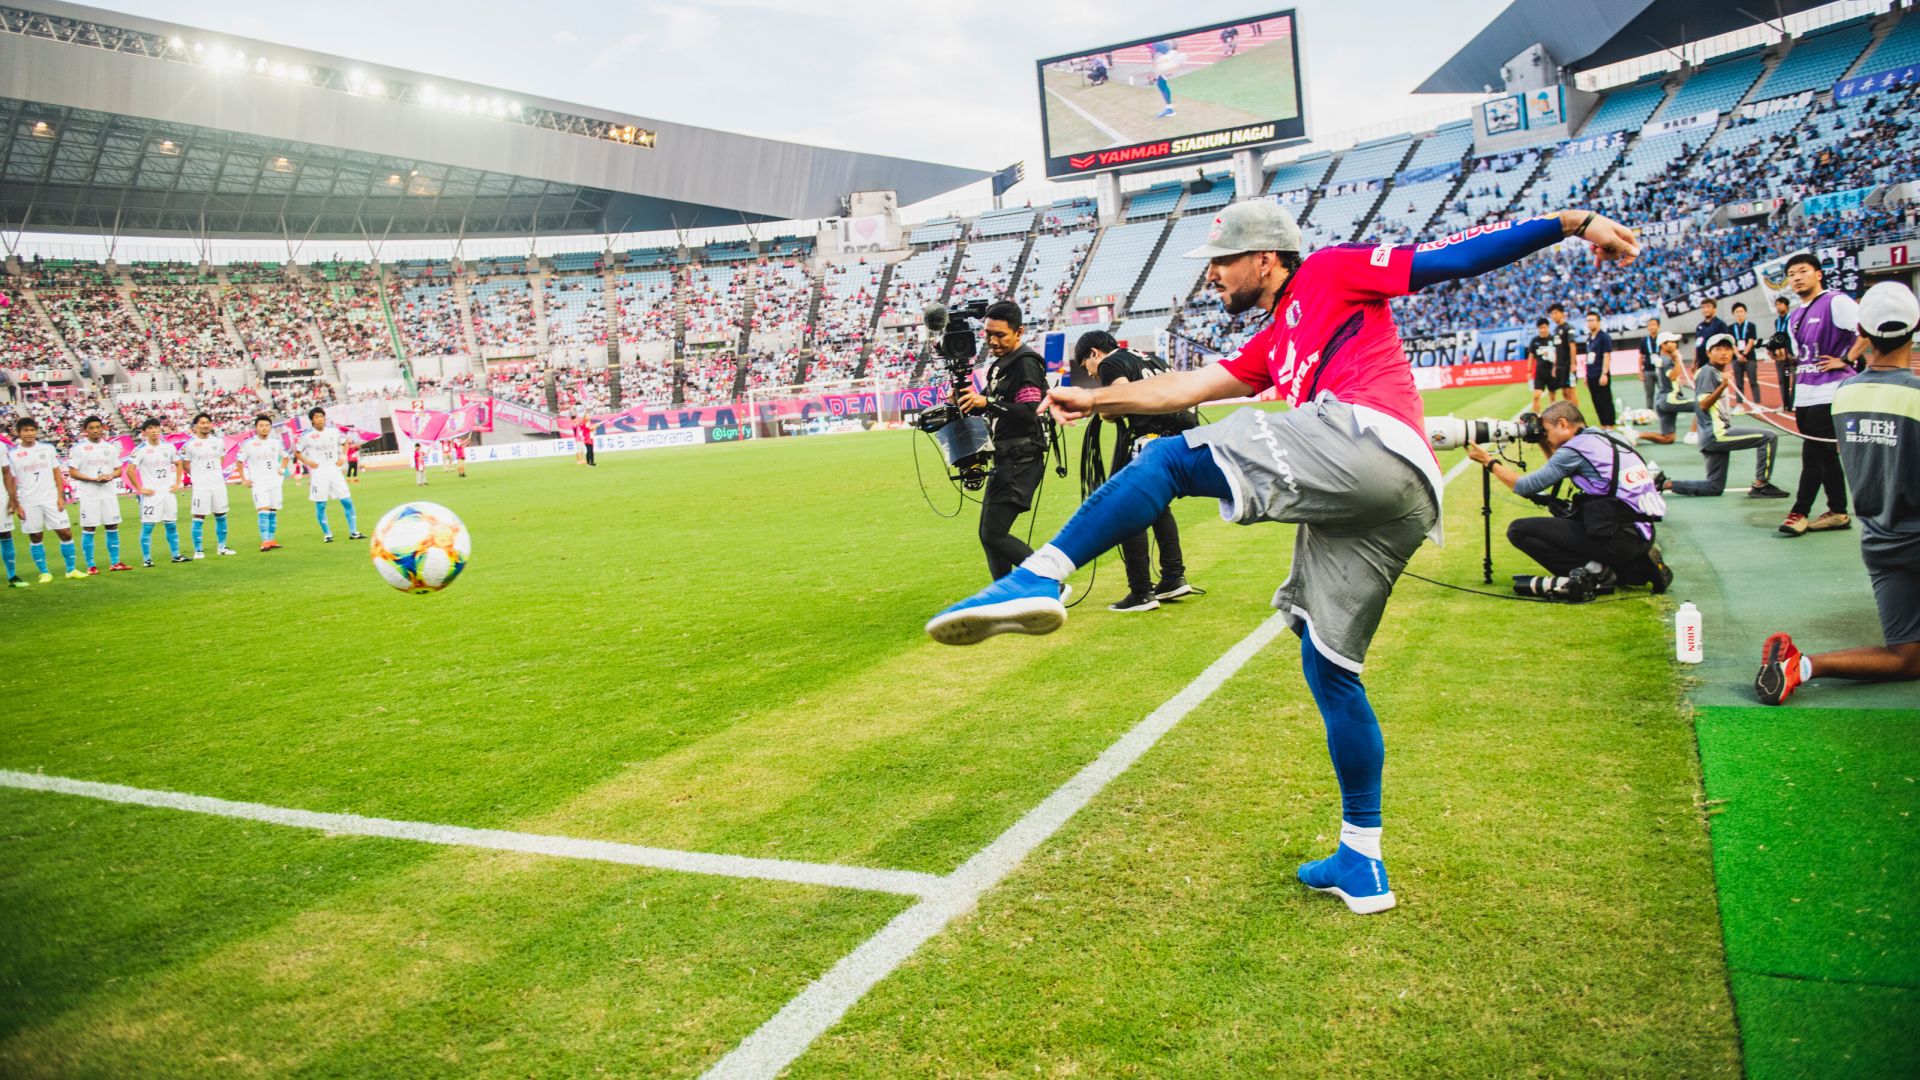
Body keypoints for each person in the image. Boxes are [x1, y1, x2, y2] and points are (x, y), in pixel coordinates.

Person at [926, 199, 1645, 915]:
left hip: (1368, 440)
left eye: (1222, 261)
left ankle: (1036, 578)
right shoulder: (1272, 341)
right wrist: (1095, 400)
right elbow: (1188, 386)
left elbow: (1449, 258)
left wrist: (1572, 222)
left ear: (1266, 257)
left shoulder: (1330, 271)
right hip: (1401, 500)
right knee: (1330, 667)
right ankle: (1362, 859)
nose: (1212, 275)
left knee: (1167, 461)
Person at [1757, 282, 1920, 702]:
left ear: (1862, 331)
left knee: (1907, 657)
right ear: (1915, 328)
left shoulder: (1845, 394)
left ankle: (1802, 666)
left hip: (1881, 540)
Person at [1467, 401, 1670, 601]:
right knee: (1570, 513)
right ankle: (1635, 566)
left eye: (1546, 431)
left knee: (1519, 530)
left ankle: (1598, 574)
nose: (1545, 436)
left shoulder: (1574, 450)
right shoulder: (1610, 436)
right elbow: (1559, 467)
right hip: (1642, 533)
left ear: (1563, 424)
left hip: (1618, 539)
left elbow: (1525, 486)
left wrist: (1488, 461)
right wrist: (1542, 441)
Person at [1073, 330, 1195, 611]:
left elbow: (1118, 401)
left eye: (1086, 365)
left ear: (1094, 353)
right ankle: (1173, 577)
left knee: (1126, 508)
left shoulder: (1110, 363)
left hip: (1149, 441)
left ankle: (1141, 592)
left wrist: (1100, 407)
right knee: (1159, 508)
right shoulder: (1150, 358)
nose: (1090, 373)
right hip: (1177, 441)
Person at [958, 299, 1053, 582]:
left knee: (993, 534)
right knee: (989, 535)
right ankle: (1005, 593)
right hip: (1007, 457)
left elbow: (1029, 411)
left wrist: (987, 402)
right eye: (988, 334)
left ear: (1019, 332)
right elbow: (990, 405)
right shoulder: (1003, 364)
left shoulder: (1025, 363)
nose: (992, 341)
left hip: (1021, 459)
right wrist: (968, 400)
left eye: (1000, 335)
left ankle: (1051, 584)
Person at [1778, 252, 1862, 537]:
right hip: (1805, 391)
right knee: (1826, 454)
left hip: (1830, 390)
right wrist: (1781, 355)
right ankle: (1838, 511)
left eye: (1802, 271)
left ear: (1818, 274)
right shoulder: (1795, 315)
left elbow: (1866, 330)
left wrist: (1846, 359)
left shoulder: (1836, 301)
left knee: (1812, 454)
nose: (1797, 278)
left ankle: (1799, 512)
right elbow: (1800, 355)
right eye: (1791, 274)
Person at [1664, 334, 1789, 498]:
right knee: (1769, 437)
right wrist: (1723, 385)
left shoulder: (1714, 371)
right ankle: (1761, 485)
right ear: (1708, 353)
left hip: (1709, 436)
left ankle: (1665, 484)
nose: (1724, 352)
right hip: (1716, 434)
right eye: (1718, 349)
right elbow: (1703, 405)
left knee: (1714, 487)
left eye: (1728, 349)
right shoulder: (1708, 372)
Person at [5, 418, 82, 582]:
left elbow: (56, 473)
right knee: (35, 536)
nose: (29, 433)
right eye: (25, 430)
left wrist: (60, 496)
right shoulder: (13, 454)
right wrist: (17, 504)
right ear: (18, 433)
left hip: (51, 498)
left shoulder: (47, 449)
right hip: (28, 501)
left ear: (36, 431)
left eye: (32, 430)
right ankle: (45, 572)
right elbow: (11, 480)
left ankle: (71, 569)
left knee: (65, 532)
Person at [66, 415, 131, 573]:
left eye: (97, 427)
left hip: (108, 494)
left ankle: (115, 562)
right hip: (89, 494)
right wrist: (93, 479)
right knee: (89, 528)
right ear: (85, 430)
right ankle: (91, 565)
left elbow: (118, 470)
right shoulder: (79, 449)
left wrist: (110, 475)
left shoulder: (110, 448)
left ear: (102, 428)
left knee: (112, 525)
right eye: (91, 428)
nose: (95, 430)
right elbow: (73, 472)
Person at [124, 417, 186, 565]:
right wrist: (140, 489)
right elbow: (130, 470)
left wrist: (177, 483)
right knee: (148, 526)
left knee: (171, 525)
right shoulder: (140, 450)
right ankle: (147, 559)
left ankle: (176, 555)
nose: (154, 431)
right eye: (150, 428)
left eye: (156, 427)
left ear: (160, 429)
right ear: (144, 432)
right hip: (151, 495)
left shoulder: (168, 447)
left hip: (168, 493)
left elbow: (178, 463)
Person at [295, 407, 363, 542]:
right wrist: (307, 461)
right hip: (319, 473)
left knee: (347, 500)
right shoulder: (306, 435)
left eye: (322, 416)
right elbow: (297, 452)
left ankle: (353, 531)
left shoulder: (333, 431)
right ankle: (327, 534)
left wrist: (343, 455)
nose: (320, 419)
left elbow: (345, 443)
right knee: (321, 505)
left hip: (334, 470)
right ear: (312, 420)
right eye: (317, 417)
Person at [180, 412, 236, 558]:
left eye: (207, 422)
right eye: (202, 423)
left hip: (218, 484)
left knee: (221, 515)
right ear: (195, 426)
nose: (205, 425)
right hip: (201, 486)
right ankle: (198, 550)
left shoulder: (218, 442)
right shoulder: (190, 445)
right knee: (199, 516)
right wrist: (198, 474)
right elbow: (185, 464)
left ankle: (222, 547)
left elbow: (221, 459)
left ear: (211, 425)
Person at [235, 415, 286, 551]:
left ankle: (272, 539)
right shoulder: (249, 444)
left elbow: (286, 456)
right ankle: (265, 540)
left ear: (270, 427)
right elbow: (239, 462)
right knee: (263, 511)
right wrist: (244, 479)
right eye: (261, 425)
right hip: (259, 483)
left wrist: (282, 468)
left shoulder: (275, 442)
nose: (264, 428)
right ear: (256, 428)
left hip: (275, 482)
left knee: (273, 511)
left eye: (267, 425)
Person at [1582, 311, 1616, 429]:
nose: (1590, 323)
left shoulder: (1604, 337)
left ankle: (1610, 426)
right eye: (1588, 320)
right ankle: (1603, 425)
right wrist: (1586, 374)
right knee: (1596, 401)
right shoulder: (1589, 338)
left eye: (1592, 320)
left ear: (1598, 322)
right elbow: (1588, 357)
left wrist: (1604, 373)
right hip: (1591, 374)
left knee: (1605, 400)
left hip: (1600, 373)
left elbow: (1607, 356)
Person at [1726, 301, 1760, 409]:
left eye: (1741, 311)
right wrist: (1738, 355)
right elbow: (1732, 343)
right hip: (1736, 359)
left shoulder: (1751, 326)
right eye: (1737, 312)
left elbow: (1751, 341)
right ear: (1733, 314)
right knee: (1738, 383)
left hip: (1749, 358)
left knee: (1753, 381)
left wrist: (1744, 354)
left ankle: (1757, 404)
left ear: (1745, 312)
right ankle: (1739, 404)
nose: (1739, 314)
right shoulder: (1730, 328)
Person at [1547, 303, 1579, 406]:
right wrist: (1555, 366)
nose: (1553, 316)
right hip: (1560, 366)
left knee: (1571, 392)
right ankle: (1569, 414)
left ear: (1562, 314)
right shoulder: (1556, 330)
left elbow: (1572, 346)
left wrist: (1573, 364)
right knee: (1564, 392)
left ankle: (1576, 415)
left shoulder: (1568, 328)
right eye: (1552, 314)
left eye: (1555, 313)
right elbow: (1556, 350)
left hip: (1568, 365)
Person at [1768, 294, 1795, 409]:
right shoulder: (1777, 321)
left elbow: (1792, 337)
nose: (1778, 306)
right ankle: (1785, 404)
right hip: (1780, 355)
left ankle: (1794, 403)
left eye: (1780, 304)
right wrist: (1772, 349)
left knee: (1795, 378)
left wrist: (1789, 350)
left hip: (1791, 355)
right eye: (1776, 305)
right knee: (1782, 379)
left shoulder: (1792, 319)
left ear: (1786, 306)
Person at [1527, 317, 1557, 414]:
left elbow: (1558, 354)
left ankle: (1552, 416)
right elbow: (1531, 356)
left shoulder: (1553, 339)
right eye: (1540, 328)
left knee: (1552, 395)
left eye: (1544, 327)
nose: (1542, 330)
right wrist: (1529, 371)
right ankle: (1536, 416)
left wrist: (1556, 366)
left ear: (1548, 327)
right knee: (1536, 396)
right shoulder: (1535, 341)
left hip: (1552, 371)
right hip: (1540, 372)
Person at [1693, 297, 1729, 370]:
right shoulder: (1699, 326)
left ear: (1714, 309)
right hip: (1701, 363)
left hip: (1715, 363)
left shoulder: (1720, 325)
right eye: (1703, 307)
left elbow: (1725, 346)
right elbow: (1697, 345)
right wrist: (1694, 362)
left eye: (1708, 307)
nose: (1705, 309)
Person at [1639, 316, 1663, 411]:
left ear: (1658, 326)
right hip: (1648, 371)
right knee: (1649, 393)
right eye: (1650, 325)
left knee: (1663, 392)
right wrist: (1640, 371)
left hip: (1661, 370)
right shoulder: (1644, 340)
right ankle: (1650, 412)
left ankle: (1663, 410)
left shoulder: (1662, 339)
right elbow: (1641, 356)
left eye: (1654, 325)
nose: (1652, 327)